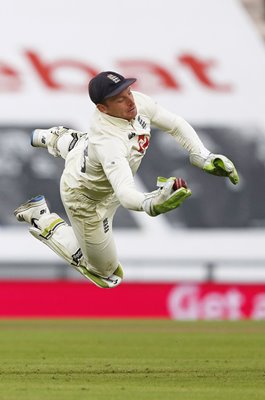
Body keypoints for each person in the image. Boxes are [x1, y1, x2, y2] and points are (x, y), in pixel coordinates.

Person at [14, 71, 239, 288]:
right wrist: (151, 203)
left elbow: (175, 124)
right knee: (105, 274)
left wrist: (202, 155)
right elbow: (124, 193)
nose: (130, 101)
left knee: (82, 145)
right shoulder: (108, 142)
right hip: (87, 199)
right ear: (103, 108)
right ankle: (40, 218)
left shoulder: (135, 103)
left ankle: (53, 137)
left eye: (128, 92)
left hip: (90, 157)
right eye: (120, 99)